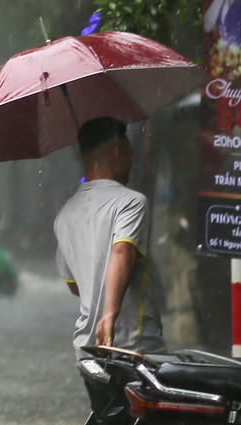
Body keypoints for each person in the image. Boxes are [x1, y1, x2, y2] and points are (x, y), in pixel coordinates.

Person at [53, 116, 165, 354]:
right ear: (117, 152)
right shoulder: (131, 202)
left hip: (86, 348)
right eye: (130, 152)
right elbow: (122, 250)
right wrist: (109, 315)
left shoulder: (65, 215)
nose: (133, 159)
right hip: (133, 345)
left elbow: (75, 286)